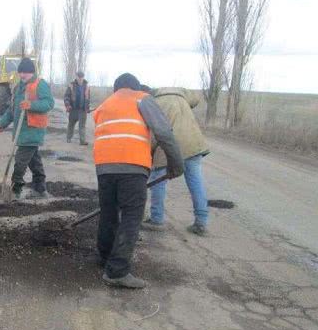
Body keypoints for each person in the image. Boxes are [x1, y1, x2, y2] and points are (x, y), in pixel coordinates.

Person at [93, 73, 183, 289]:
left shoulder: (104, 105)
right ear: (135, 87)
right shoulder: (142, 98)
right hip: (132, 165)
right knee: (132, 216)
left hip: (104, 166)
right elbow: (163, 131)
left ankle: (105, 257)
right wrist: (176, 163)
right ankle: (117, 271)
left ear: (116, 89)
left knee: (108, 211)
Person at [145, 87, 210, 236]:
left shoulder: (153, 103)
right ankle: (201, 222)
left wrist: (149, 151)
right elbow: (196, 98)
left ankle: (156, 219)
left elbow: (156, 133)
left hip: (169, 147)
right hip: (193, 144)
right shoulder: (180, 94)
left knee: (157, 179)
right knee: (195, 182)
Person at [0, 58, 55, 199]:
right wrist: (2, 123)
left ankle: (16, 190)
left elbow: (49, 103)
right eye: (20, 72)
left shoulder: (40, 84)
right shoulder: (17, 88)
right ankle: (40, 189)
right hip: (21, 133)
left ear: (32, 72)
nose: (22, 75)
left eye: (25, 73)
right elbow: (12, 110)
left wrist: (31, 105)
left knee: (20, 161)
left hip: (32, 131)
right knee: (34, 162)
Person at [63, 71, 91, 145]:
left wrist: (87, 108)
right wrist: (67, 105)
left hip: (82, 110)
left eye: (81, 77)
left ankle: (82, 141)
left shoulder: (87, 87)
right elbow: (66, 96)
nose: (80, 78)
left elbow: (88, 98)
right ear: (76, 77)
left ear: (83, 77)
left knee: (82, 126)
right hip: (73, 110)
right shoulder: (71, 85)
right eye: (79, 77)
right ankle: (68, 138)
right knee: (71, 125)